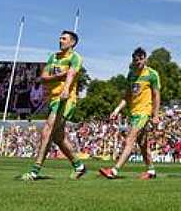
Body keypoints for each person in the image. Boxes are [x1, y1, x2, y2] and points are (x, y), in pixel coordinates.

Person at [21, 31, 86, 181]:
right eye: (60, 38)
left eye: (64, 39)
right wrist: (58, 76)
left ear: (72, 43)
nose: (60, 40)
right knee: (58, 138)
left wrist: (65, 90)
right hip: (53, 99)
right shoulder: (53, 57)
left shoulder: (75, 57)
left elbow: (71, 74)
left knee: (47, 130)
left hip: (66, 99)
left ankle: (34, 171)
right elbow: (43, 78)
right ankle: (79, 166)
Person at [100, 47, 161, 179]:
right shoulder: (131, 75)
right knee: (143, 144)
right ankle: (151, 171)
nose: (137, 62)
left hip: (144, 112)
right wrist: (117, 110)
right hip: (133, 113)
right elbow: (127, 96)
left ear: (145, 59)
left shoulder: (152, 74)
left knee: (130, 139)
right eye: (135, 60)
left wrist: (155, 115)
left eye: (140, 59)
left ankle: (114, 170)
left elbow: (156, 95)